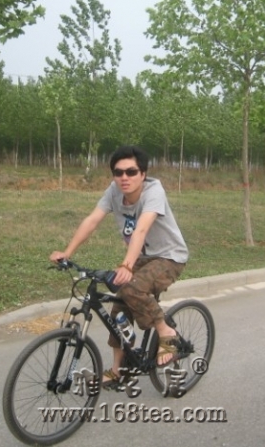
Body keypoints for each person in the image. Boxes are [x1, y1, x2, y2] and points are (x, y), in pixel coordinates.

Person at [50, 145, 189, 388]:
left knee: (133, 288)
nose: (124, 177)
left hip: (169, 256)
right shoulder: (114, 191)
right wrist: (67, 252)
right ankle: (119, 371)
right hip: (142, 257)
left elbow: (141, 229)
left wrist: (126, 265)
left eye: (131, 172)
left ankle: (165, 331)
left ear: (143, 174)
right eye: (118, 172)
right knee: (118, 308)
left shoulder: (154, 191)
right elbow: (93, 220)